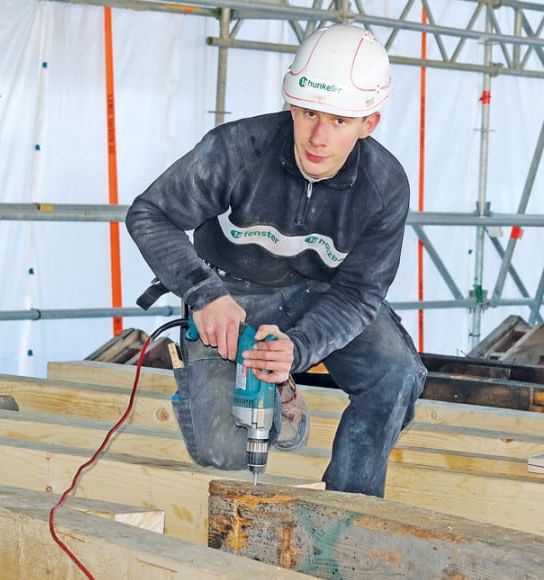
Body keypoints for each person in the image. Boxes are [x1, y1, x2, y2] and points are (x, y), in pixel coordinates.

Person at [125, 24, 427, 498]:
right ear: (291, 103)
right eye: (308, 113)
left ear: (369, 124)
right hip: (231, 294)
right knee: (221, 452)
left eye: (340, 121)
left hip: (324, 297)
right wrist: (204, 295)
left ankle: (347, 512)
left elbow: (361, 293)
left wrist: (300, 348)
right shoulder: (235, 149)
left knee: (396, 376)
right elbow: (151, 213)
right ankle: (280, 395)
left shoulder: (385, 186)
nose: (318, 137)